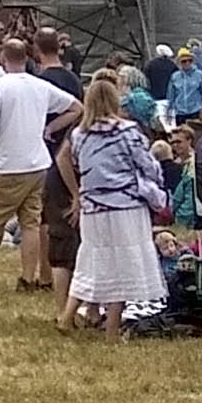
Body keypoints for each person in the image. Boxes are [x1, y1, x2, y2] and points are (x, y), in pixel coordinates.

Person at [0, 34, 79, 292]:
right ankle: (28, 278)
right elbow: (76, 107)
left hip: (7, 164)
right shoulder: (40, 85)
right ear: (26, 58)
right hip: (37, 163)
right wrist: (50, 128)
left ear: (3, 59)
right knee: (31, 223)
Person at [64, 73, 172, 334]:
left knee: (91, 261)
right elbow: (148, 165)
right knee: (122, 266)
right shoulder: (128, 131)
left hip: (93, 208)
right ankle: (112, 330)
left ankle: (66, 317)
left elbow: (77, 164)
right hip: (125, 207)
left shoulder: (79, 134)